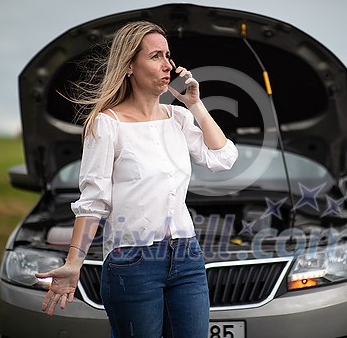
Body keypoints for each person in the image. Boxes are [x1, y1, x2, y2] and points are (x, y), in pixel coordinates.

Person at [35, 21, 238, 338]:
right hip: (132, 262)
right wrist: (74, 263)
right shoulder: (106, 124)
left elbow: (223, 158)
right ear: (129, 65)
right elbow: (93, 202)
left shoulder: (179, 119)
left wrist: (196, 106)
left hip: (187, 257)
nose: (167, 64)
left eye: (168, 56)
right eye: (156, 56)